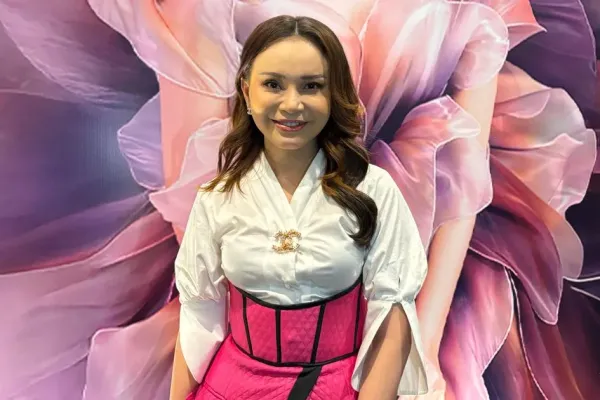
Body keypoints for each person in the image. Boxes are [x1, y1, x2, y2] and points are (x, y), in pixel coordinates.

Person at [169, 15, 429, 400]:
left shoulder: (373, 190)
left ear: (333, 94)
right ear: (247, 92)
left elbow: (391, 318)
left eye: (311, 86)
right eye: (273, 84)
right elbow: (198, 315)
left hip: (337, 388)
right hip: (232, 387)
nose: (292, 104)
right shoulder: (217, 197)